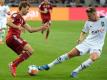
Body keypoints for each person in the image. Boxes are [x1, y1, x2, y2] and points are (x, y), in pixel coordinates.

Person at [37, 7, 107, 77]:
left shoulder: (104, 19)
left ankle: (75, 71)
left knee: (94, 57)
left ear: (94, 14)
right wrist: (80, 39)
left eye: (89, 16)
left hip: (97, 45)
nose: (88, 17)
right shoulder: (88, 22)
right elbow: (83, 32)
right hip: (87, 43)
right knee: (70, 54)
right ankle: (49, 66)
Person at [6, 2, 49, 77]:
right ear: (22, 8)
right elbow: (8, 22)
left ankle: (13, 65)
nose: (28, 11)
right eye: (27, 9)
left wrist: (42, 27)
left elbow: (30, 30)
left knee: (27, 53)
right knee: (30, 50)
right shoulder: (16, 15)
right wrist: (18, 27)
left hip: (13, 39)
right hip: (12, 37)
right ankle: (13, 65)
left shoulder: (22, 19)